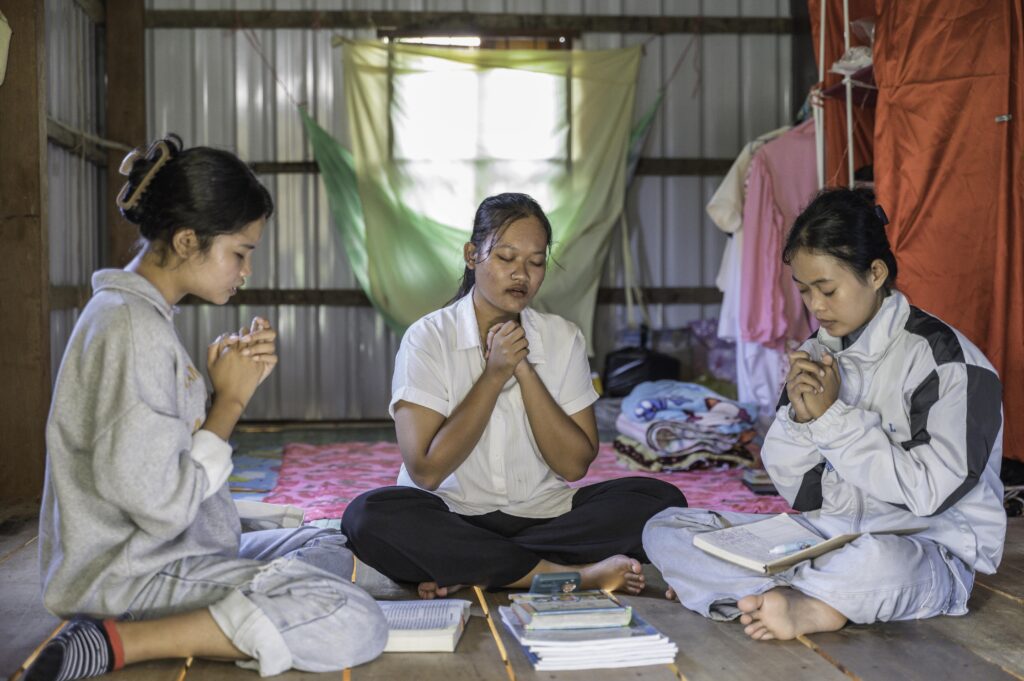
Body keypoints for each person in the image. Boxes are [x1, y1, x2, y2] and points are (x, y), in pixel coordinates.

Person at [25, 135, 386, 681]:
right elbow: (162, 506)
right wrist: (232, 403)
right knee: (352, 615)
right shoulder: (130, 329)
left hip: (175, 552)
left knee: (330, 539)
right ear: (189, 240)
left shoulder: (136, 318)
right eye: (240, 253)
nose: (245, 272)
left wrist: (219, 393)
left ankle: (236, 609)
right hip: (130, 578)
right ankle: (120, 641)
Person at [643, 187, 1005, 641]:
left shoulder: (949, 362)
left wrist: (831, 418)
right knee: (666, 529)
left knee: (880, 565)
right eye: (804, 290)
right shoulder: (815, 353)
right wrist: (799, 421)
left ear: (875, 273)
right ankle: (804, 596)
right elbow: (800, 491)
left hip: (923, 546)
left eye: (827, 289)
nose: (815, 306)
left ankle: (766, 595)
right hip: (823, 539)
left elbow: (930, 495)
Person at [342, 192, 687, 599]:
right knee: (368, 517)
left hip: (544, 516)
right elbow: (426, 471)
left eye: (535, 262)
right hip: (451, 515)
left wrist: (523, 368)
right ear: (473, 256)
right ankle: (572, 575)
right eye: (506, 258)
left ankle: (473, 568)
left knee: (661, 501)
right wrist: (493, 374)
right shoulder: (428, 338)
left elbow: (575, 465)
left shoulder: (562, 338)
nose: (521, 274)